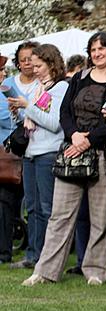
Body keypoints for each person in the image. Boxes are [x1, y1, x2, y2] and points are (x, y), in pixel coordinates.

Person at [21, 32, 106, 287]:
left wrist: (89, 140)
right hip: (71, 152)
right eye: (93, 49)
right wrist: (75, 136)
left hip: (102, 153)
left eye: (102, 48)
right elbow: (65, 112)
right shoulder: (78, 78)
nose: (97, 53)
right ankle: (45, 271)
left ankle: (96, 271)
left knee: (100, 217)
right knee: (60, 215)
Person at [6, 44, 68, 272]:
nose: (35, 70)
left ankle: (49, 258)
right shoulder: (40, 89)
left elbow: (53, 123)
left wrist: (28, 106)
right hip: (31, 152)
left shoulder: (60, 88)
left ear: (51, 64)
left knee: (46, 208)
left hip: (48, 152)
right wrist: (20, 113)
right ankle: (33, 253)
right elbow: (35, 119)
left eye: (39, 65)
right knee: (31, 208)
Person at [5, 41, 40, 269]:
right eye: (23, 59)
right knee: (10, 202)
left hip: (36, 147)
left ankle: (36, 251)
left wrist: (26, 108)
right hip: (11, 149)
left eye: (31, 58)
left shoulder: (42, 84)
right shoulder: (8, 83)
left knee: (35, 204)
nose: (27, 63)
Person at [0, 52, 25, 265]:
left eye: (2, 70)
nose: (2, 74)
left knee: (4, 204)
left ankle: (3, 252)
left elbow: (20, 116)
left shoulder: (8, 89)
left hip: (5, 156)